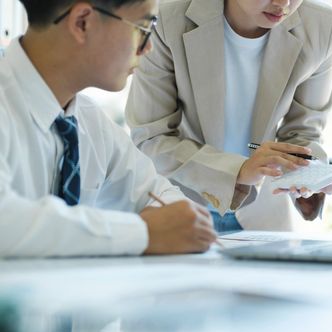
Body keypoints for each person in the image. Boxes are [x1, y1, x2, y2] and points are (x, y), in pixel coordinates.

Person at [0, 0, 218, 258]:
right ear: (83, 22)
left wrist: (177, 224)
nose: (148, 48)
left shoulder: (90, 121)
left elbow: (162, 197)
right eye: (143, 28)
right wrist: (142, 233)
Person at [125, 0, 332, 232]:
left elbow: (304, 132)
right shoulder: (167, 19)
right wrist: (238, 170)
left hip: (262, 210)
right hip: (178, 202)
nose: (284, 4)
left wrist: (308, 172)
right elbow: (151, 138)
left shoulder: (321, 24)